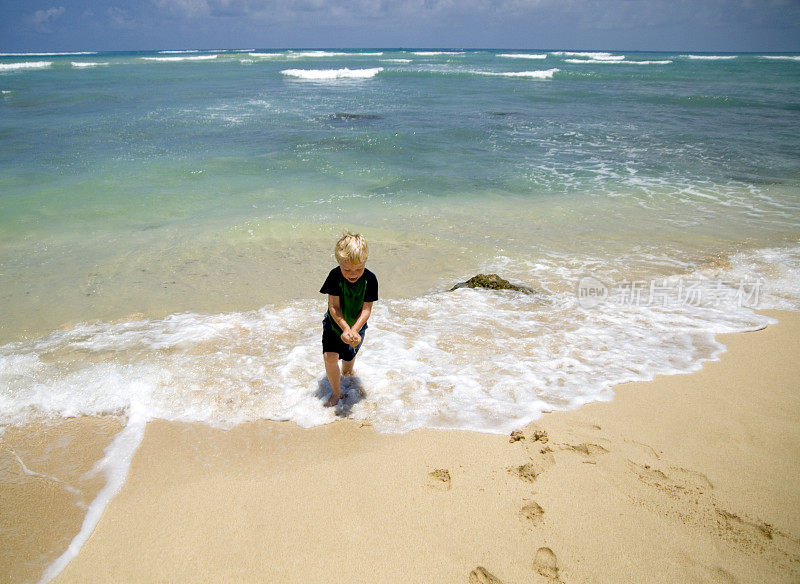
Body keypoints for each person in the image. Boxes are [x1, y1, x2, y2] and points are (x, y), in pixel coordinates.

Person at [320, 232, 378, 407]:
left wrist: (354, 330)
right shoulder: (334, 276)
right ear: (339, 263)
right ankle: (337, 393)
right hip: (334, 325)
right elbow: (334, 308)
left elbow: (366, 309)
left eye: (358, 269)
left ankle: (348, 376)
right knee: (330, 357)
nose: (353, 273)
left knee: (348, 360)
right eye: (347, 269)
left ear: (365, 262)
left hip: (357, 326)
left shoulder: (370, 279)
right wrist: (345, 328)